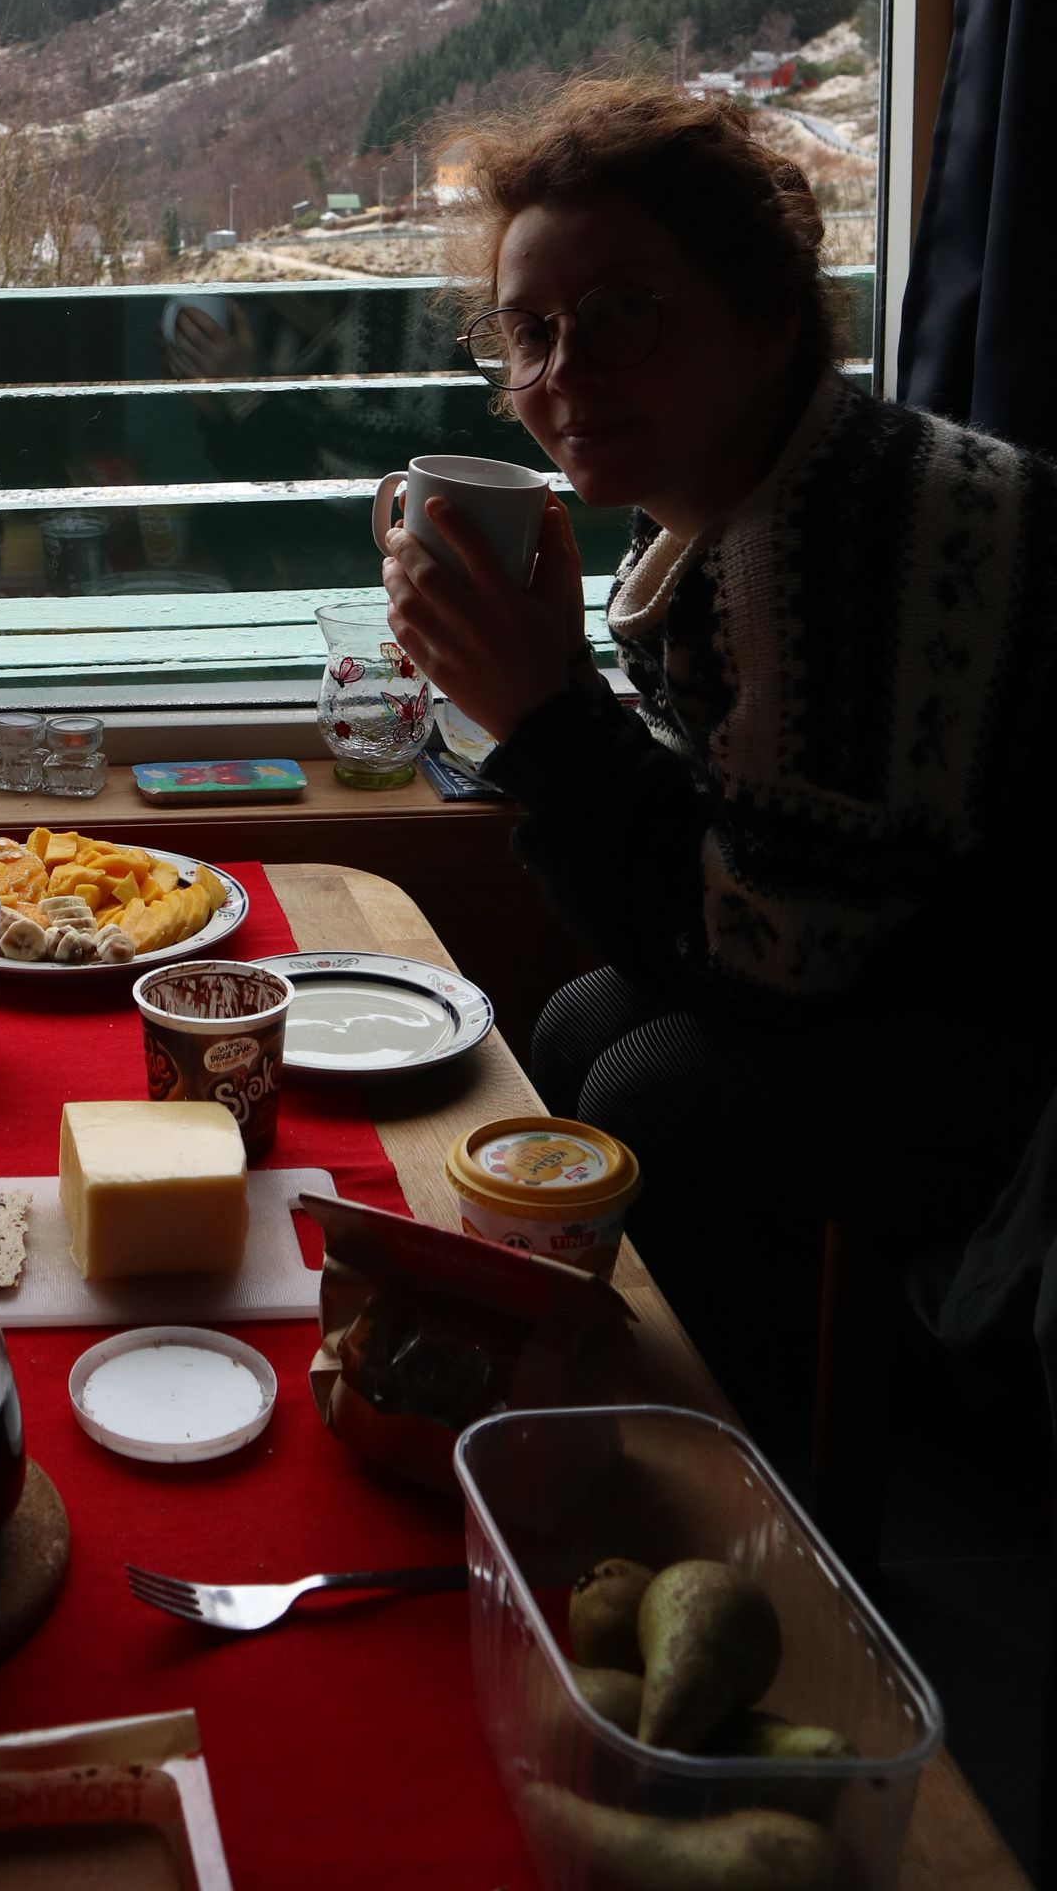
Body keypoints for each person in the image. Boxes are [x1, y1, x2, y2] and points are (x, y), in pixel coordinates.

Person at [379, 75, 1057, 1415]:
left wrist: (541, 713)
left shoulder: (841, 537)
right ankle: (574, 1398)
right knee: (577, 1026)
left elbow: (774, 956)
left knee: (660, 1095)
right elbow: (748, 854)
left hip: (1026, 1025)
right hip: (926, 950)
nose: (563, 374)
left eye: (625, 313)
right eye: (531, 332)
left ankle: (740, 1502)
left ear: (761, 313)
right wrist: (550, 705)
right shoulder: (737, 507)